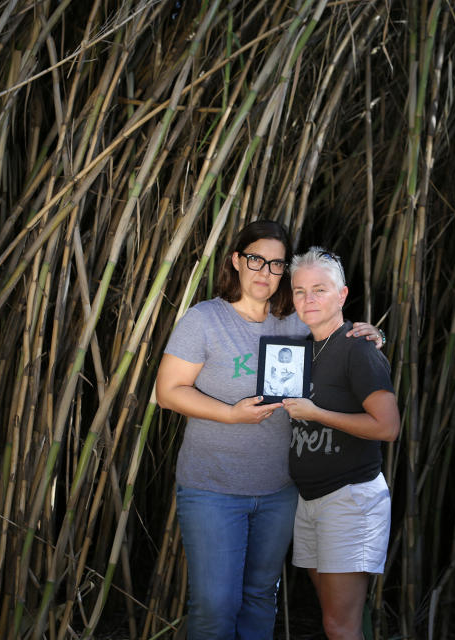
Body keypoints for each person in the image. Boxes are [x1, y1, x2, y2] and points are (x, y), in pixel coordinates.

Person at [155, 221, 384, 639]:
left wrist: (370, 331)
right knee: (214, 606)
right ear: (237, 261)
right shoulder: (204, 319)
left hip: (279, 490)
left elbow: (339, 336)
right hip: (212, 488)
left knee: (261, 596)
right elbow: (168, 392)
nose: (265, 271)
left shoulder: (295, 323)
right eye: (256, 259)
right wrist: (231, 415)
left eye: (277, 264)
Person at [282, 247, 400, 640]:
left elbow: (387, 426)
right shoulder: (301, 350)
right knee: (335, 619)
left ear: (342, 295)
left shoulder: (358, 349)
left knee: (340, 625)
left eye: (319, 289)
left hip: (350, 500)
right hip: (311, 500)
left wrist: (316, 413)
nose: (308, 299)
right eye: (300, 291)